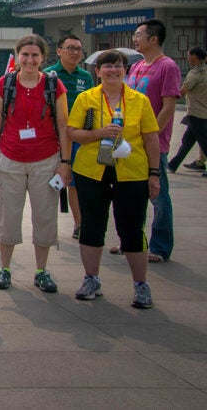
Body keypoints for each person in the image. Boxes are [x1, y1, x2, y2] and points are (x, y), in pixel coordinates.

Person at [68, 50, 160, 308]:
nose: (113, 70)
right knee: (92, 227)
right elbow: (73, 132)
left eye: (118, 66)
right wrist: (100, 132)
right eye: (107, 66)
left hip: (131, 173)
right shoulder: (86, 99)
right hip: (91, 172)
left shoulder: (140, 101)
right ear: (98, 71)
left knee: (132, 228)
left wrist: (154, 174)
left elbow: (151, 138)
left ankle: (141, 285)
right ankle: (91, 279)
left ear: (125, 70)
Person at [0, 34, 70, 292]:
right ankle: (4, 268)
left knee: (44, 216)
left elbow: (63, 124)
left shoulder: (54, 85)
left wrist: (65, 162)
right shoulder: (5, 84)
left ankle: (41, 270)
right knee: (8, 216)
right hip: (11, 159)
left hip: (46, 160)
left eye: (35, 55)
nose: (30, 60)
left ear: (43, 58)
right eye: (25, 54)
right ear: (18, 56)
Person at [115, 19, 181, 263]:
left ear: (154, 39)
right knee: (133, 195)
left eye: (138, 34)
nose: (135, 39)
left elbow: (168, 107)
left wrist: (151, 136)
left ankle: (160, 246)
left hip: (153, 144)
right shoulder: (138, 66)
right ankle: (132, 241)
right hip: (130, 143)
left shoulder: (168, 67)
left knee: (158, 195)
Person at [45, 34, 93, 239]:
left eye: (78, 49)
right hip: (53, 137)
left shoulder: (86, 77)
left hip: (78, 137)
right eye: (70, 48)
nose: (75, 53)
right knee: (49, 181)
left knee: (75, 181)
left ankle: (79, 223)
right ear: (59, 51)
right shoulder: (49, 75)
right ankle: (46, 225)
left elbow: (92, 107)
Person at [167, 47, 207, 173]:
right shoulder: (205, 71)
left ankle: (173, 165)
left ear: (194, 57)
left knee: (203, 142)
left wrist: (167, 98)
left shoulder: (195, 74)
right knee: (187, 141)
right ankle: (173, 165)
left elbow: (182, 91)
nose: (187, 57)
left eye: (189, 55)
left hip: (196, 113)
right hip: (201, 112)